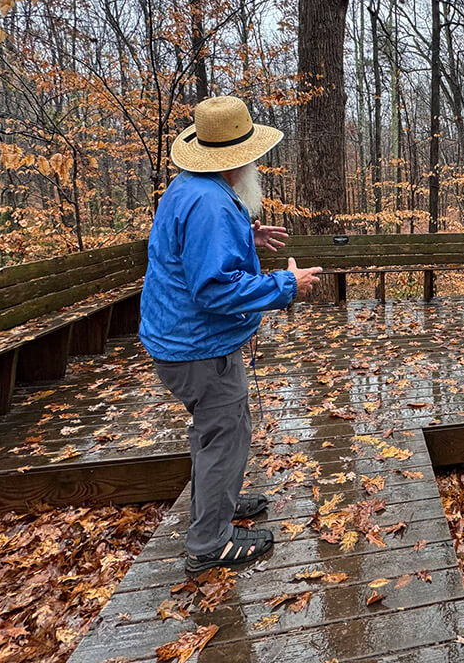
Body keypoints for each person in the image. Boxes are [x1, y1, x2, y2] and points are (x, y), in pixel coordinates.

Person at [139, 96, 322, 573]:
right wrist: (288, 284)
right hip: (198, 346)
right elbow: (214, 289)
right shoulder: (209, 205)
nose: (255, 162)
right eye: (252, 155)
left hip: (182, 340)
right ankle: (209, 543)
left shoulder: (191, 189)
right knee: (225, 435)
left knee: (215, 433)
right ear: (236, 159)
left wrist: (247, 238)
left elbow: (195, 255)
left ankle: (219, 506)